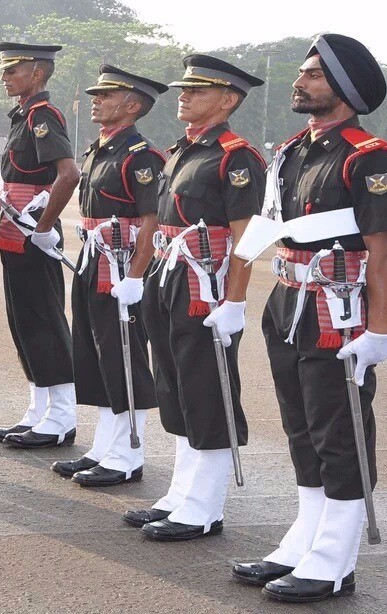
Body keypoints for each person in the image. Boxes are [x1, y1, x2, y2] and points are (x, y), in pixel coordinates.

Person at [231, 34, 387, 603]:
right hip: (289, 300)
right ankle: (304, 537)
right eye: (302, 72)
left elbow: (381, 251)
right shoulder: (294, 151)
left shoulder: (369, 157)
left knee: (338, 431)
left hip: (340, 306)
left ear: (345, 88)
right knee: (301, 427)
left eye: (312, 75)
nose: (298, 81)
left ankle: (335, 558)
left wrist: (380, 331)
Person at [125, 55, 266, 539]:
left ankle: (205, 505)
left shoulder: (236, 156)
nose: (182, 96)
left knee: (205, 391)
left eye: (196, 91)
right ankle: (181, 492)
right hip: (170, 277)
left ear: (227, 100)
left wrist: (235, 301)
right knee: (175, 387)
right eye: (183, 89)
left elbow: (247, 238)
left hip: (205, 288)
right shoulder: (184, 149)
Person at [39, 65, 166, 486]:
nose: (96, 99)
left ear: (132, 105)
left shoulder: (141, 155)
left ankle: (129, 454)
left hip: (122, 264)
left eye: (106, 95)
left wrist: (136, 275)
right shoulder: (100, 148)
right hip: (95, 257)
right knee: (94, 353)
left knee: (123, 355)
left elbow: (151, 220)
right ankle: (103, 446)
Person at [0, 42, 83, 449]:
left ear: (38, 74)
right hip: (15, 230)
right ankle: (37, 412)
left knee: (44, 321)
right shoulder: (23, 115)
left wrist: (44, 227)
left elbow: (69, 174)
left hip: (33, 231)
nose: (5, 77)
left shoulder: (43, 116)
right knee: (23, 321)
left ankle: (61, 417)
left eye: (13, 70)